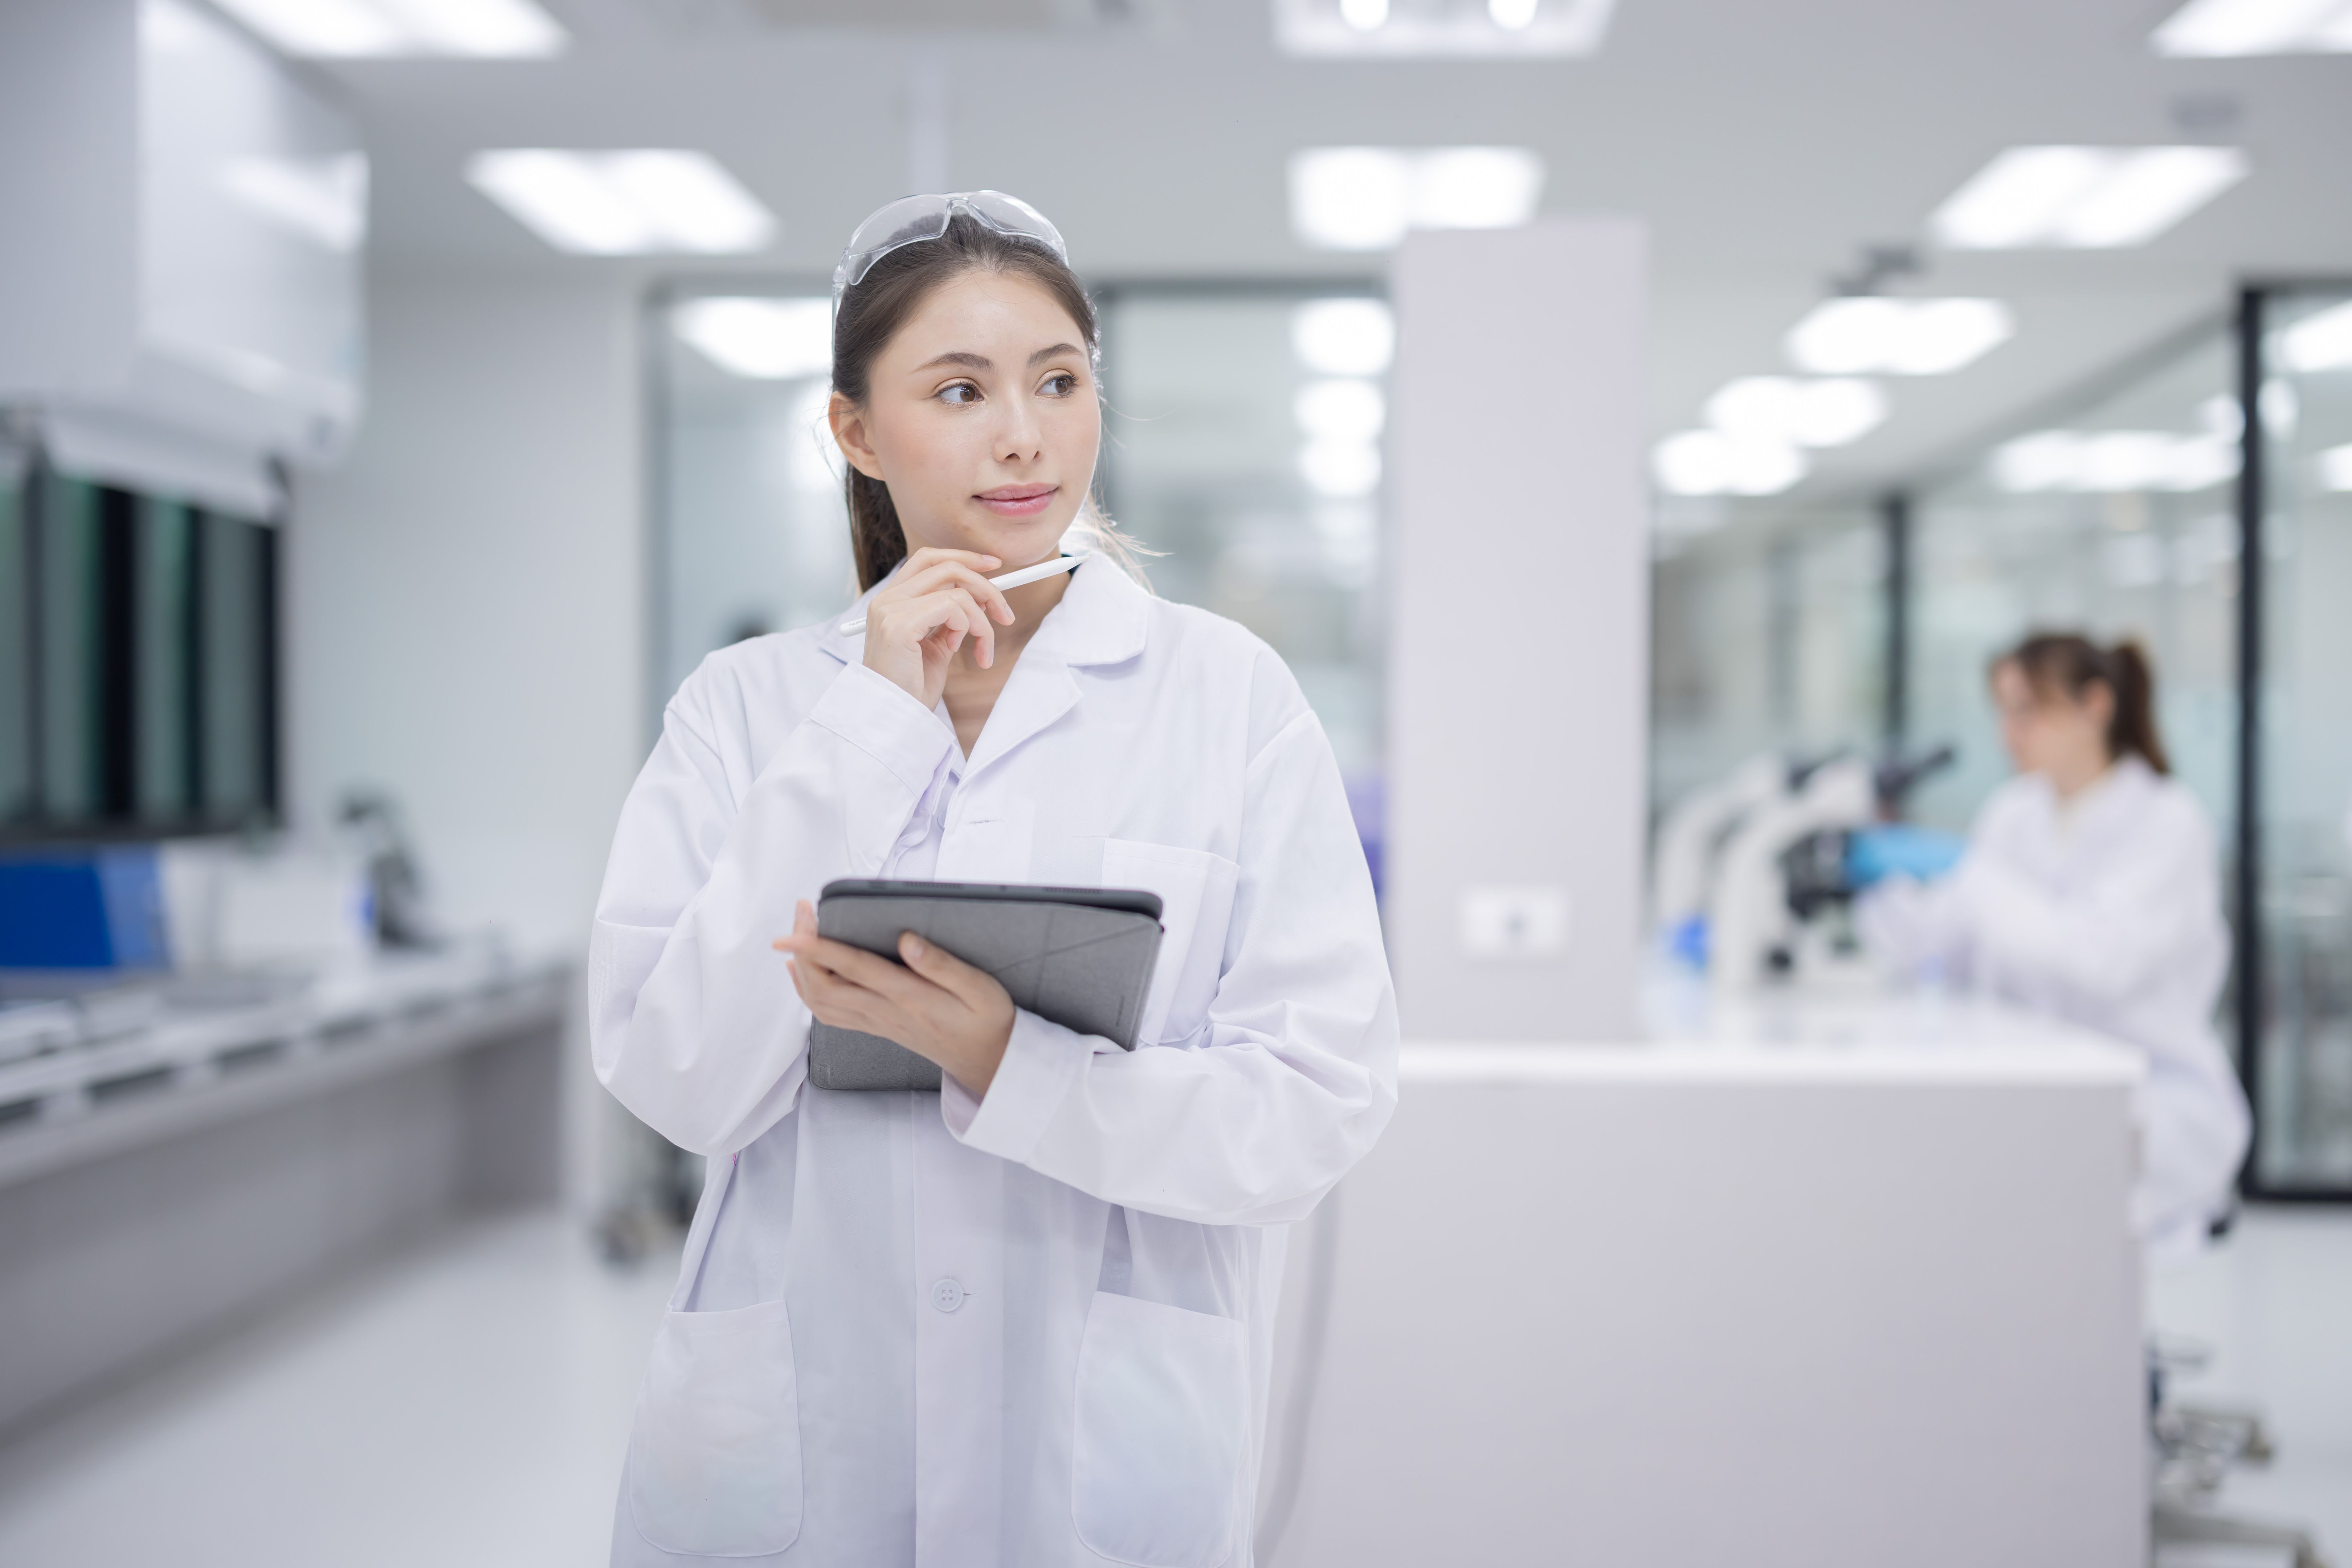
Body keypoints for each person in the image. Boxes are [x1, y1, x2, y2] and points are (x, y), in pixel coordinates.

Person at [588, 192, 1398, 1567]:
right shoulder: (747, 709)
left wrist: (1015, 1064)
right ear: (854, 430)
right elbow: (677, 1079)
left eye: (1060, 381)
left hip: (1103, 1451)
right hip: (805, 1439)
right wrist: (872, 722)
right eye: (959, 389)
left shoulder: (1226, 697)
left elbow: (1319, 1102)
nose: (1024, 433)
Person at [1860, 633, 2250, 1256]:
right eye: (2002, 713)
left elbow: (2100, 963)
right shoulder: (2014, 812)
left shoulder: (2167, 821)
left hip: (2152, 1098)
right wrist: (1875, 887)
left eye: (2027, 712)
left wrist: (1973, 875)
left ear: (2094, 707)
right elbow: (1941, 949)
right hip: (2035, 1090)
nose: (2007, 733)